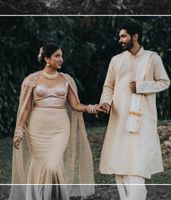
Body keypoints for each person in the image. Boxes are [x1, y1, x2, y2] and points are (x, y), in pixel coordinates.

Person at [9, 43, 106, 200]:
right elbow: (25, 109)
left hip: (60, 129)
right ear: (47, 58)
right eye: (57, 56)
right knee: (41, 164)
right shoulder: (32, 80)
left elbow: (75, 105)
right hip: (37, 128)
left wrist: (94, 108)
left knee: (53, 165)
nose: (61, 59)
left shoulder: (66, 79)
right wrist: (19, 132)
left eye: (62, 56)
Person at [99, 21, 171, 200]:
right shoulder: (116, 60)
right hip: (119, 116)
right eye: (120, 37)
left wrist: (141, 86)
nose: (120, 40)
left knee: (138, 163)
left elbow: (164, 82)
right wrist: (106, 103)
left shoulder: (152, 58)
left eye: (123, 36)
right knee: (121, 162)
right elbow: (108, 86)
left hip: (143, 119)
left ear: (135, 36)